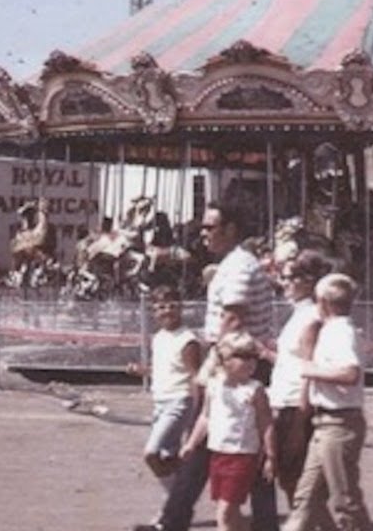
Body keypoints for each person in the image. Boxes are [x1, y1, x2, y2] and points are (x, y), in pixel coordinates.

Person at [139, 203, 279, 531]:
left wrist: (213, 366)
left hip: (238, 365)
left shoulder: (239, 267)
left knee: (229, 441)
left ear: (230, 229)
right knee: (211, 444)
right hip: (231, 361)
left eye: (209, 227)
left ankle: (176, 519)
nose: (202, 234)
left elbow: (233, 318)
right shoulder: (231, 265)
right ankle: (179, 517)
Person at [284, 273, 372, 531]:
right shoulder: (331, 331)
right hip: (324, 423)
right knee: (306, 497)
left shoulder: (341, 332)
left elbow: (349, 373)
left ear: (323, 301)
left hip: (339, 423)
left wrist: (308, 368)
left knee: (345, 500)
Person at [179, 331, 276, 531]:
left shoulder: (255, 390)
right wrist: (191, 443)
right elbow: (205, 417)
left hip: (243, 456)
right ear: (224, 361)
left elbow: (266, 423)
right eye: (241, 356)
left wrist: (270, 456)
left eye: (252, 356)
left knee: (224, 512)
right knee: (231, 513)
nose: (249, 362)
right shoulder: (214, 387)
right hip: (219, 455)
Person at [265, 251, 329, 503]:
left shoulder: (312, 316)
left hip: (295, 403)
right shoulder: (298, 313)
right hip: (281, 398)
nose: (284, 282)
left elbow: (309, 367)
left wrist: (302, 414)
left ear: (309, 280)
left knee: (295, 475)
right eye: (282, 276)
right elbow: (289, 360)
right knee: (290, 475)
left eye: (290, 277)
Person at [127, 286, 202, 488]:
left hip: (180, 401)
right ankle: (179, 503)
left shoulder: (187, 340)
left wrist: (197, 416)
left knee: (151, 452)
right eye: (160, 307)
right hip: (160, 401)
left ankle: (175, 504)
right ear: (154, 311)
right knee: (168, 457)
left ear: (181, 308)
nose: (166, 311)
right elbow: (164, 370)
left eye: (172, 306)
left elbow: (197, 377)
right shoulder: (159, 337)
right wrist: (142, 370)